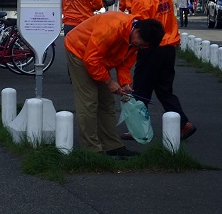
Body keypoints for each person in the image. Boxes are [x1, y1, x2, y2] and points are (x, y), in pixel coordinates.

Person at [65, 11, 165, 157]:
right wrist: (109, 81)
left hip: (98, 58)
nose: (138, 46)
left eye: (143, 46)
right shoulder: (113, 27)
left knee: (107, 102)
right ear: (137, 30)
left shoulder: (137, 40)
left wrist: (124, 83)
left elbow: (124, 63)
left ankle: (111, 145)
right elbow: (91, 60)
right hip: (79, 50)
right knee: (89, 102)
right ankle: (92, 150)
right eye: (140, 42)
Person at [120, 0, 197, 140]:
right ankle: (184, 124)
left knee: (140, 90)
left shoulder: (141, 2)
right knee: (164, 90)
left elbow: (137, 31)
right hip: (169, 47)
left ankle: (137, 129)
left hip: (150, 49)